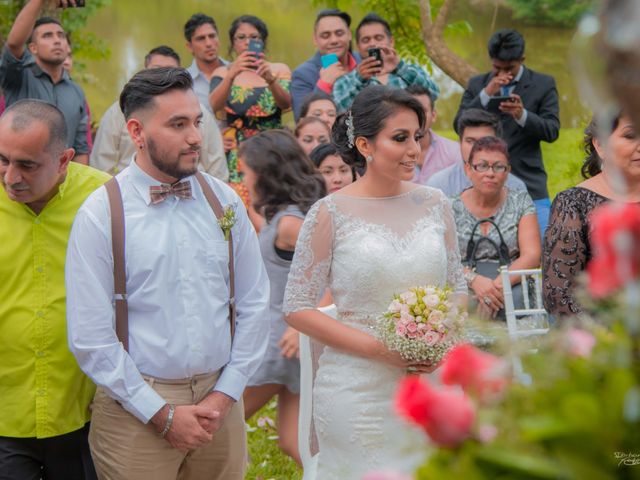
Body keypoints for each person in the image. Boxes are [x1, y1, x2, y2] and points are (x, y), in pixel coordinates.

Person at [65, 67, 270, 480]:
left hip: (220, 403)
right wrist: (160, 414)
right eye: (178, 125)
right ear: (137, 132)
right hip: (134, 408)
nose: (195, 136)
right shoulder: (102, 213)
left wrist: (225, 395)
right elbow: (91, 338)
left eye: (196, 121)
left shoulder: (224, 201)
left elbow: (254, 302)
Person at [283, 85, 466, 478]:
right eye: (399, 138)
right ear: (364, 144)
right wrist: (381, 350)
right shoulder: (329, 212)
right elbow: (296, 306)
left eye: (417, 136)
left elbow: (458, 290)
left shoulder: (436, 204)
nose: (414, 149)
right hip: (358, 391)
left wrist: (441, 337)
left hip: (428, 379)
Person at [0, 99, 110, 479]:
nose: (11, 177)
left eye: (27, 165)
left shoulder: (104, 200)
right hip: (6, 414)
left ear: (64, 160)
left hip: (85, 412)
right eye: (3, 159)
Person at [240, 130, 325, 465]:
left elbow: (332, 270)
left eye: (246, 172)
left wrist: (306, 324)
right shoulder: (282, 219)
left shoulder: (292, 223)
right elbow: (275, 248)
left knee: (218, 426)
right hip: (288, 348)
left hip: (279, 344)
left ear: (266, 174)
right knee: (295, 442)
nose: (243, 179)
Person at [454, 29, 559, 238]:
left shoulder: (543, 84)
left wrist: (522, 115)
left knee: (542, 252)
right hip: (483, 185)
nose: (503, 74)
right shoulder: (478, 85)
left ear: (522, 59)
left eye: (509, 68)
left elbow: (552, 130)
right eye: (497, 68)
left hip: (529, 184)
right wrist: (487, 93)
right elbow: (459, 124)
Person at [543, 114, 640, 318]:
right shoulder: (573, 203)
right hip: (604, 335)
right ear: (600, 145)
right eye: (631, 135)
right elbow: (559, 295)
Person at [90, 46, 228, 179]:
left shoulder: (199, 111)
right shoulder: (119, 112)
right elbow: (101, 164)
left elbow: (216, 164)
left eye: (170, 71)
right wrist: (117, 197)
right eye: (156, 70)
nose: (163, 78)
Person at [451, 136, 540, 318]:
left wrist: (495, 289)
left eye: (498, 167)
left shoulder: (521, 201)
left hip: (512, 291)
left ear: (508, 171)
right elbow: (443, 259)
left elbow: (532, 255)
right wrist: (474, 280)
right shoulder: (449, 207)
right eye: (482, 166)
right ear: (468, 169)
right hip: (464, 289)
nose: (490, 173)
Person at [209, 15, 291, 209]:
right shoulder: (222, 73)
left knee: (274, 205)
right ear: (233, 43)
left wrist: (270, 80)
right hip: (237, 154)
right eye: (241, 37)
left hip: (273, 150)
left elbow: (286, 104)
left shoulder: (278, 69)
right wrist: (231, 74)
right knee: (239, 208)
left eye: (254, 37)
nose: (248, 42)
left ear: (262, 42)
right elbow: (214, 107)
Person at [0, 0, 90, 164]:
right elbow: (13, 44)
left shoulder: (76, 91)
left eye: (60, 35)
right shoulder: (18, 77)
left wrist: (78, 188)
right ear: (32, 48)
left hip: (61, 181)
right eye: (47, 36)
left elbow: (81, 147)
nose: (57, 40)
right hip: (20, 177)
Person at [333, 13, 439, 113]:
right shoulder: (345, 81)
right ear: (358, 46)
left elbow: (433, 94)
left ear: (391, 41)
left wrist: (400, 68)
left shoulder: (410, 70)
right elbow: (339, 112)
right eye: (366, 40)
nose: (373, 43)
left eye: (378, 38)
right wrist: (360, 79)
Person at [427, 108, 527, 196]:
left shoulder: (516, 188)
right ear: (460, 143)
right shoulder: (438, 185)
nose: (476, 148)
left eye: (485, 141)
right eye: (470, 141)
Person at [291, 9, 361, 120]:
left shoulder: (364, 62)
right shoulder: (302, 74)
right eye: (325, 35)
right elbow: (300, 120)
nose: (333, 40)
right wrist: (324, 85)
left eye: (339, 33)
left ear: (349, 35)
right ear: (315, 40)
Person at [407, 84, 460, 183]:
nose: (417, 117)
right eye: (411, 110)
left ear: (433, 115)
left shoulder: (454, 152)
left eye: (422, 111)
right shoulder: (389, 155)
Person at [184, 13, 228, 113]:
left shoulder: (235, 70)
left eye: (212, 36)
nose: (208, 44)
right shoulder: (184, 82)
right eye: (201, 38)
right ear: (189, 47)